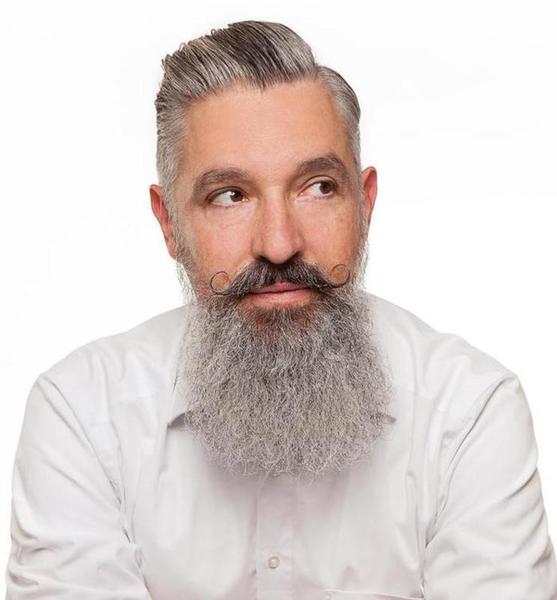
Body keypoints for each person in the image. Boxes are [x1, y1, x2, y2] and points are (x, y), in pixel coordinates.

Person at [5, 19, 557, 600]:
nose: (278, 243)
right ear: (169, 224)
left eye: (318, 187)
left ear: (364, 204)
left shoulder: (470, 413)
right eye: (229, 195)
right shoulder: (83, 415)